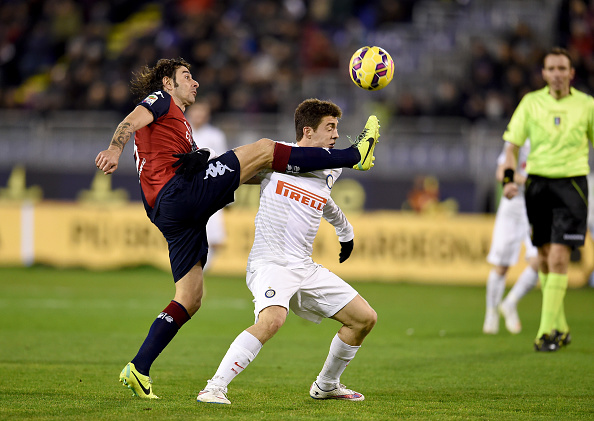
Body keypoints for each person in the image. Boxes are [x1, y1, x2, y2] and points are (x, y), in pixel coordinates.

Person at [94, 58, 380, 399]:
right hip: (178, 194)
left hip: (172, 212)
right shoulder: (161, 100)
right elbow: (129, 121)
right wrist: (114, 148)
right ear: (168, 83)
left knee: (190, 298)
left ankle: (139, 367)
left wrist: (263, 169)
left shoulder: (180, 125)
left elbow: (245, 171)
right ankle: (355, 155)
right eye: (187, 76)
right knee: (264, 147)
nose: (195, 82)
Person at [195, 98, 377, 405]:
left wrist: (345, 231)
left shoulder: (332, 167)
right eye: (330, 127)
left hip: (304, 266)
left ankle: (327, 385)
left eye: (337, 127)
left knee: (364, 319)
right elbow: (238, 168)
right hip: (271, 262)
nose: (336, 134)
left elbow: (323, 199)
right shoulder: (275, 155)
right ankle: (214, 387)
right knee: (272, 320)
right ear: (308, 131)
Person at [502, 47, 594, 352]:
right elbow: (512, 146)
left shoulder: (586, 105)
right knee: (543, 257)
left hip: (572, 184)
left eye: (562, 68)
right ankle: (562, 326)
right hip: (538, 185)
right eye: (551, 69)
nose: (556, 74)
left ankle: (545, 332)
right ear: (543, 73)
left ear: (571, 73)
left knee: (558, 257)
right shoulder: (531, 102)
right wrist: (508, 180)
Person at [483, 141, 539, 335]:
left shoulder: (547, 138)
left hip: (536, 204)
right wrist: (526, 180)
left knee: (539, 261)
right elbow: (501, 173)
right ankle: (491, 312)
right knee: (501, 265)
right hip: (512, 203)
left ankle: (510, 302)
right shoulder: (517, 139)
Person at [186, 100, 228, 269]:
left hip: (210, 188)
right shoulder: (181, 132)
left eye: (202, 111)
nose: (198, 115)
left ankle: (202, 269)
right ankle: (192, 269)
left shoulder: (215, 136)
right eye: (196, 111)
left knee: (213, 235)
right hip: (187, 187)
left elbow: (223, 163)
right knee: (189, 231)